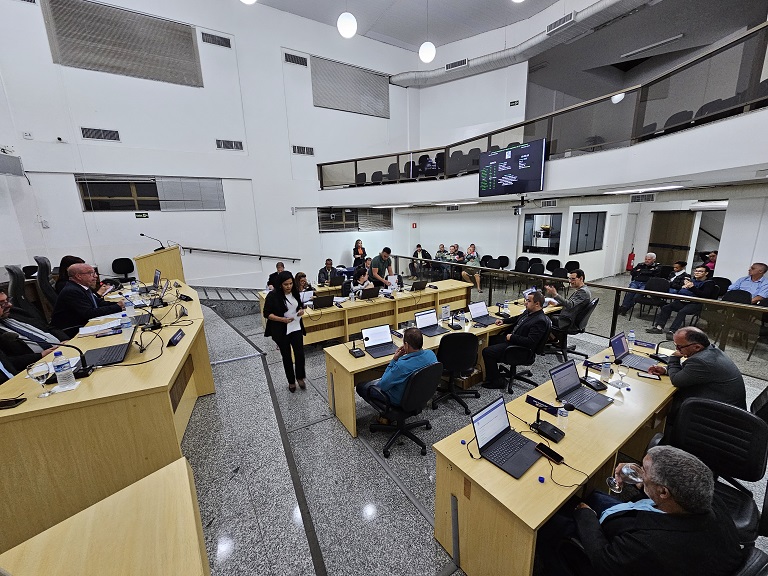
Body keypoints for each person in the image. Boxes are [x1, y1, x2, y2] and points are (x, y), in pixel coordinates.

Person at [535, 446, 742, 576]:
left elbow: (604, 561)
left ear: (663, 492)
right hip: (645, 519)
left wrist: (585, 514)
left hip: (616, 554)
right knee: (594, 497)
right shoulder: (704, 496)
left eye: (644, 471)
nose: (640, 472)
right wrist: (644, 483)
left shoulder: (650, 545)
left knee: (547, 523)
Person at [647, 327, 746, 424]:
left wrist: (673, 357)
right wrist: (665, 370)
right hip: (723, 404)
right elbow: (692, 372)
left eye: (679, 347)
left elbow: (676, 380)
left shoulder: (701, 361)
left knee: (659, 401)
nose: (677, 349)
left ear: (697, 347)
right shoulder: (711, 350)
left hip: (719, 416)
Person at [481, 291, 551, 389]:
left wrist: (512, 337)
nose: (525, 303)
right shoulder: (529, 312)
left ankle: (497, 381)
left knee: (487, 352)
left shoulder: (540, 321)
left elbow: (530, 342)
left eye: (528, 301)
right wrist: (503, 321)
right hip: (513, 339)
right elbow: (518, 318)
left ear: (537, 304)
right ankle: (491, 372)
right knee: (489, 340)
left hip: (520, 348)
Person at [355, 327, 437, 409]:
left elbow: (382, 386)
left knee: (361, 387)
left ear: (406, 345)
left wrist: (394, 360)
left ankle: (387, 411)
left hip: (399, 400)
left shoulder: (402, 366)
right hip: (421, 394)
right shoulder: (431, 354)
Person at [0, 289, 68, 371]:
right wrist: (41, 355)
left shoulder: (16, 312)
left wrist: (65, 340)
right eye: (2, 303)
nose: (9, 305)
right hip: (38, 366)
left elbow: (48, 327)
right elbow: (6, 362)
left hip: (63, 350)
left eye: (7, 300)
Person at [263, 271, 306, 393]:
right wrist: (282, 320)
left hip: (296, 326)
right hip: (282, 330)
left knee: (300, 354)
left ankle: (300, 377)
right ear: (280, 284)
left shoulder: (295, 291)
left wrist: (301, 310)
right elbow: (267, 314)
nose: (289, 286)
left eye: (291, 283)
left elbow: (299, 305)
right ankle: (291, 381)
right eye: (286, 284)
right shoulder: (273, 295)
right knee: (286, 356)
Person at [51, 263, 124, 335]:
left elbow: (98, 302)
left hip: (86, 324)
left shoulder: (82, 286)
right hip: (74, 329)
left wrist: (121, 304)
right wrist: (117, 307)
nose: (96, 276)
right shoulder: (71, 291)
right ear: (79, 276)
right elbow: (89, 313)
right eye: (91, 273)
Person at [647, 266, 717, 336]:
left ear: (706, 273)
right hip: (683, 301)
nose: (697, 273)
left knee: (682, 312)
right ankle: (659, 327)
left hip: (696, 303)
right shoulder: (691, 280)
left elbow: (705, 295)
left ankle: (672, 331)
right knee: (666, 307)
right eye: (696, 271)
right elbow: (681, 291)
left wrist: (692, 288)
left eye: (700, 271)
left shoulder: (709, 283)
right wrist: (683, 287)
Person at [544, 268, 591, 335]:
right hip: (571, 317)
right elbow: (572, 303)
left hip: (568, 320)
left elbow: (570, 304)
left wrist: (555, 294)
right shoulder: (583, 289)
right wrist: (557, 303)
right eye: (569, 279)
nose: (570, 281)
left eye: (573, 279)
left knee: (543, 319)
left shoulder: (583, 292)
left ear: (581, 278)